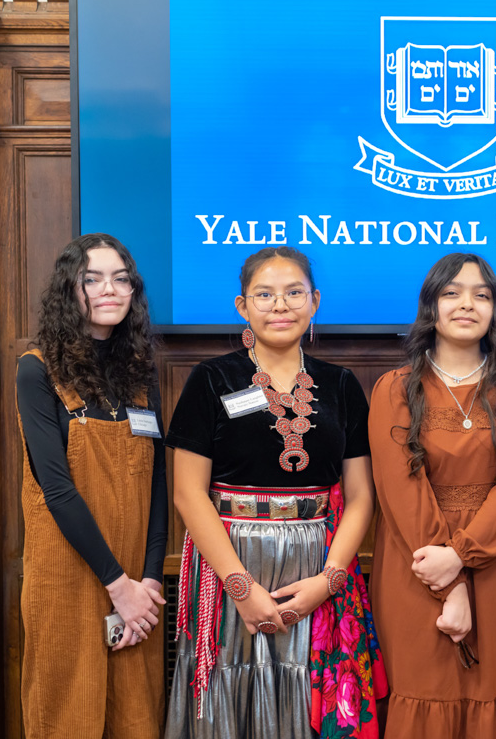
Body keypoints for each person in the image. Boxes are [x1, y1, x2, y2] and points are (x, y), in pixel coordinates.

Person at [164, 246, 386, 739]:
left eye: (293, 293)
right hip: (230, 558)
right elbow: (187, 493)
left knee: (310, 693)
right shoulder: (211, 379)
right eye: (264, 294)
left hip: (317, 559)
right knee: (230, 694)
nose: (280, 305)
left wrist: (328, 582)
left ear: (315, 302)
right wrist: (239, 587)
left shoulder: (342, 384)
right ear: (242, 306)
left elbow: (361, 495)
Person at [368, 253, 496, 738]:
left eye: (482, 295)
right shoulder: (394, 388)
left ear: (494, 310)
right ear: (430, 306)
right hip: (416, 565)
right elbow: (401, 491)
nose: (467, 304)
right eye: (452, 293)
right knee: (426, 689)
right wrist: (449, 583)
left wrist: (460, 556)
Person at [16, 233, 168, 737]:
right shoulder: (37, 371)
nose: (110, 289)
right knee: (65, 717)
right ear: (70, 289)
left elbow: (158, 487)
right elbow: (56, 490)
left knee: (137, 718)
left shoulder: (142, 373)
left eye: (121, 278)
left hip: (136, 591)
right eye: (93, 278)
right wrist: (117, 585)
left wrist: (146, 582)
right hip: (69, 576)